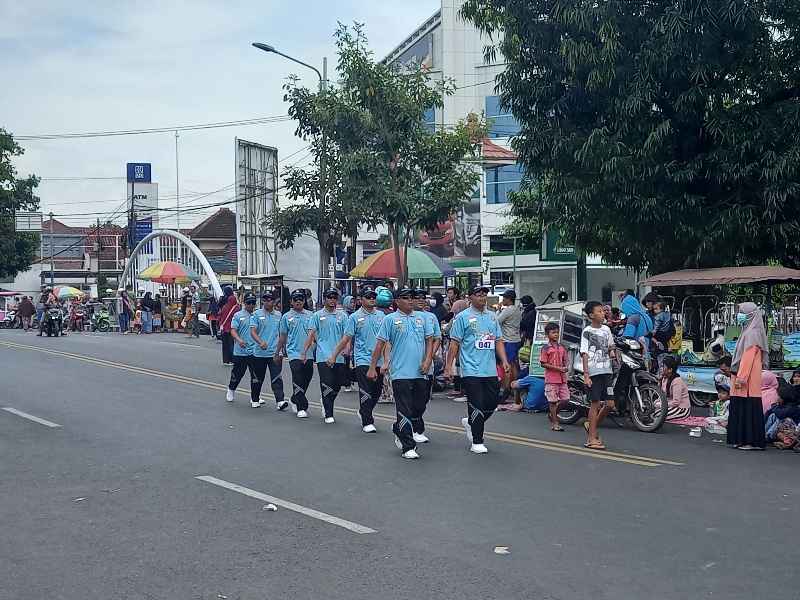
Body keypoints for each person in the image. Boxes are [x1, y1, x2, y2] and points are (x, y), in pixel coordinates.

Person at [369, 287, 434, 459]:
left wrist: (427, 361)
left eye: (412, 297)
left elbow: (430, 342)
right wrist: (373, 366)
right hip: (400, 372)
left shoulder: (421, 318)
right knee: (404, 409)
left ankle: (399, 427)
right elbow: (380, 345)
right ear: (397, 301)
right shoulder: (390, 320)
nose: (410, 301)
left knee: (419, 406)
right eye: (406, 298)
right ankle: (408, 446)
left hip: (420, 372)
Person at [445, 284, 510, 454]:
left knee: (492, 403)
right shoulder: (462, 317)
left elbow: (498, 340)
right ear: (470, 297)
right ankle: (477, 440)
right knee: (477, 404)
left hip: (489, 369)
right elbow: (454, 343)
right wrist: (448, 367)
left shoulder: (492, 317)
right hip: (471, 369)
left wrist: (504, 360)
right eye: (478, 294)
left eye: (484, 295)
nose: (482, 297)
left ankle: (471, 422)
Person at [329, 286, 387, 433]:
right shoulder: (354, 317)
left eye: (374, 296)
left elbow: (387, 341)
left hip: (379, 360)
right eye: (368, 296)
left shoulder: (382, 316)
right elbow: (346, 338)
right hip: (362, 359)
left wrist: (387, 360)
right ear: (361, 300)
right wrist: (334, 355)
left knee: (377, 391)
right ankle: (367, 420)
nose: (372, 298)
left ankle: (363, 411)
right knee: (365, 390)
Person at [303, 288, 348, 424]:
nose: (332, 300)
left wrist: (347, 348)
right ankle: (329, 412)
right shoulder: (317, 316)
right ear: (324, 298)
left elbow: (347, 336)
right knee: (327, 383)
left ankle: (326, 400)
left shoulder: (343, 316)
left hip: (339, 356)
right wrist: (304, 352)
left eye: (334, 297)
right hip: (323, 355)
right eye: (329, 297)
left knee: (337, 384)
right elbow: (311, 334)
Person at [728, 302, 768, 450]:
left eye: (742, 312)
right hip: (745, 380)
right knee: (743, 409)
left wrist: (741, 378)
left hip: (747, 382)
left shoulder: (752, 334)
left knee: (747, 410)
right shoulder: (748, 331)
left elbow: (747, 359)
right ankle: (743, 440)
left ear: (751, 315)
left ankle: (750, 442)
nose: (740, 315)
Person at [580, 300, 617, 450]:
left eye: (603, 311)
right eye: (600, 311)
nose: (603, 313)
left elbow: (610, 346)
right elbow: (584, 354)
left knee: (610, 404)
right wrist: (586, 375)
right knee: (595, 404)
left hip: (607, 371)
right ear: (591, 315)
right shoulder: (587, 331)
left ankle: (591, 426)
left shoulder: (607, 330)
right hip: (594, 372)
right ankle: (591, 438)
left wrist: (612, 352)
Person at [277, 290, 315, 418]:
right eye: (295, 299)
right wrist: (278, 351)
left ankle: (294, 398)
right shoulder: (286, 317)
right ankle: (301, 407)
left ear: (304, 301)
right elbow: (283, 335)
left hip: (309, 353)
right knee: (297, 378)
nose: (298, 301)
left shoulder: (311, 315)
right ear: (291, 301)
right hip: (294, 353)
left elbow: (316, 334)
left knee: (307, 378)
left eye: (301, 299)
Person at [250, 291, 289, 411]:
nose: (268, 302)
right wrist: (260, 342)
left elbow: (282, 333)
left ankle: (280, 401)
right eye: (265, 299)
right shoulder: (256, 314)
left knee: (276, 377)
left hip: (275, 352)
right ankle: (255, 399)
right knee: (258, 378)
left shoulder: (279, 315)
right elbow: (253, 331)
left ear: (274, 301)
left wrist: (282, 349)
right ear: (262, 301)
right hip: (259, 352)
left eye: (270, 299)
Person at [411, 287, 442, 443]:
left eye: (423, 297)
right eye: (417, 297)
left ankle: (412, 423)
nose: (421, 300)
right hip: (407, 365)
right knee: (409, 399)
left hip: (426, 365)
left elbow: (437, 338)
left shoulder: (431, 317)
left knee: (422, 399)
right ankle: (415, 428)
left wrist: (430, 357)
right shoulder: (407, 316)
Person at [225, 293, 260, 407]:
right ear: (244, 303)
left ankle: (254, 397)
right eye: (248, 302)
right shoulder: (238, 315)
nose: (251, 305)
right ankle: (231, 389)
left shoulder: (257, 315)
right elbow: (233, 330)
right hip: (240, 351)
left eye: (253, 303)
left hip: (254, 351)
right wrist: (239, 340)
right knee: (237, 374)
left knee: (256, 375)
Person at [539, 322, 568, 431]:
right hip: (551, 379)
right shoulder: (546, 348)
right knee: (553, 401)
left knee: (566, 399)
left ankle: (553, 414)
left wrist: (565, 367)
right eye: (553, 332)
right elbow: (543, 363)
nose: (556, 334)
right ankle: (555, 423)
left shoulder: (562, 347)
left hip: (562, 378)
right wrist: (558, 369)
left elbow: (565, 360)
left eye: (557, 332)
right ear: (547, 334)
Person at [496, 289, 522, 398]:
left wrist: (498, 310)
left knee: (506, 364)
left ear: (508, 299)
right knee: (513, 364)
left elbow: (497, 321)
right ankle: (515, 386)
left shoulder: (507, 310)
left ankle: (506, 388)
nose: (502, 300)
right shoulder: (517, 310)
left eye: (504, 298)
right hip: (516, 339)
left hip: (508, 340)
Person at [660, 355, 690, 421]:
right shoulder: (664, 379)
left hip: (681, 408)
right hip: (669, 405)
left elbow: (676, 402)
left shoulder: (677, 381)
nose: (661, 368)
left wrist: (660, 405)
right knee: (652, 412)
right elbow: (662, 396)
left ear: (670, 370)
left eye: (663, 366)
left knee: (658, 416)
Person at [218, 285, 239, 366]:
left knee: (225, 345)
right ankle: (232, 359)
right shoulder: (236, 307)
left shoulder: (225, 305)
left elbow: (220, 314)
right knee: (231, 344)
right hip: (232, 328)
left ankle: (226, 360)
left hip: (224, 328)